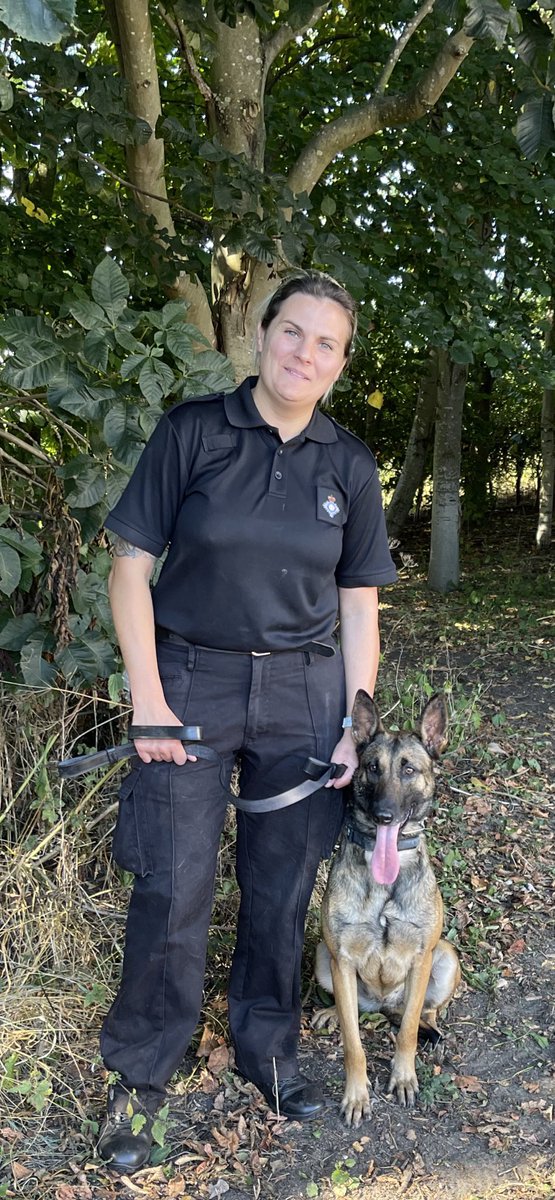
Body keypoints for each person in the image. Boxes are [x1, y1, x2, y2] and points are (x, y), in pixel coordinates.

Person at [97, 271, 397, 1172]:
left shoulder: (348, 464)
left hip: (306, 696)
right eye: (292, 333)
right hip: (190, 681)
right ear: (261, 336)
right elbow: (128, 570)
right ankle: (143, 1074)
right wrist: (148, 697)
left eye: (325, 344)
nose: (304, 353)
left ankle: (267, 1050)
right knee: (172, 883)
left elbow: (357, 609)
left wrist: (354, 722)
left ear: (340, 364)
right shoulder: (193, 432)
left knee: (282, 885)